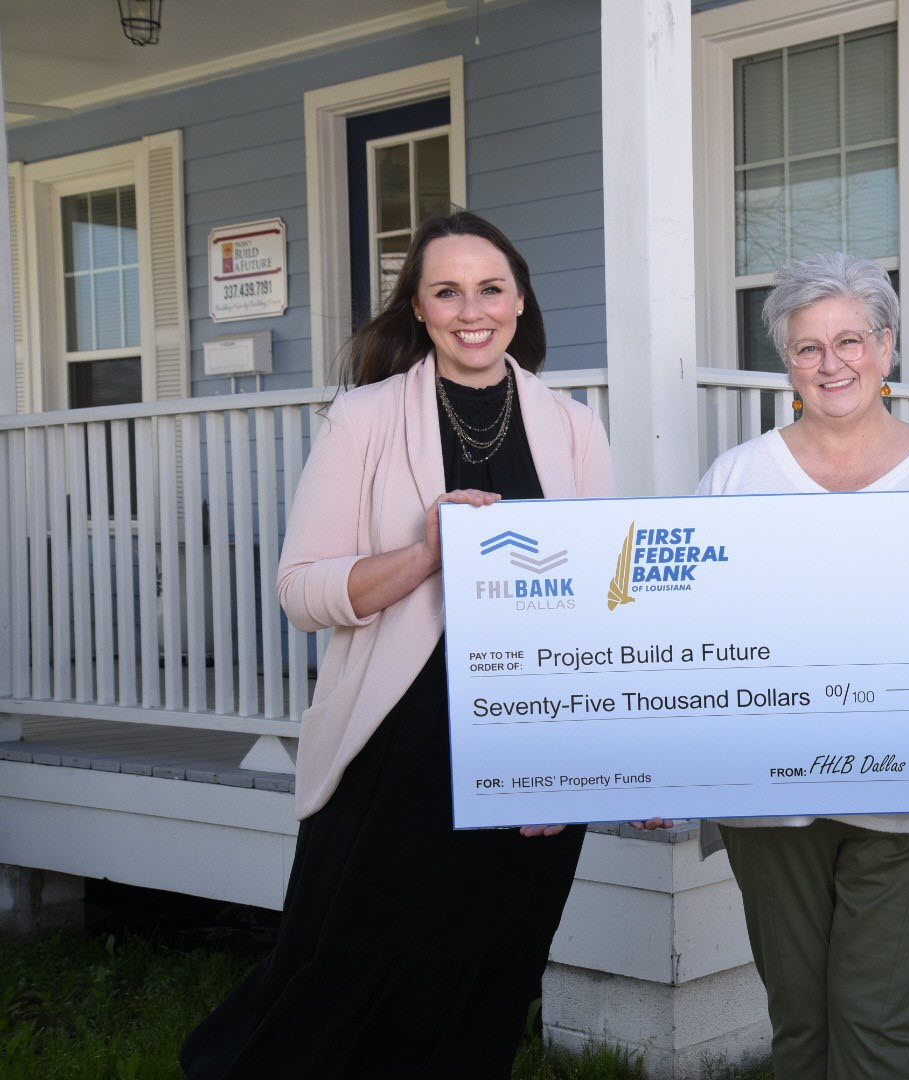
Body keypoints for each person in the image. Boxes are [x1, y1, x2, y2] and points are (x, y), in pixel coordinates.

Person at [180, 210, 614, 1078]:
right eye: (446, 291)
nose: (471, 310)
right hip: (396, 745)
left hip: (528, 743)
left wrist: (581, 757)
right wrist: (424, 554)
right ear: (417, 309)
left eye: (490, 289)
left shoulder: (572, 426)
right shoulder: (367, 419)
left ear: (520, 300)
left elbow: (599, 604)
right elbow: (302, 590)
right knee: (351, 974)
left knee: (493, 974)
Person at [636, 252, 909, 1080]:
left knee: (878, 1021)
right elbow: (688, 641)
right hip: (770, 799)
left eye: (850, 340)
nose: (831, 364)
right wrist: (659, 765)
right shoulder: (736, 478)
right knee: (800, 1021)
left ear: (887, 349)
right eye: (808, 347)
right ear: (787, 362)